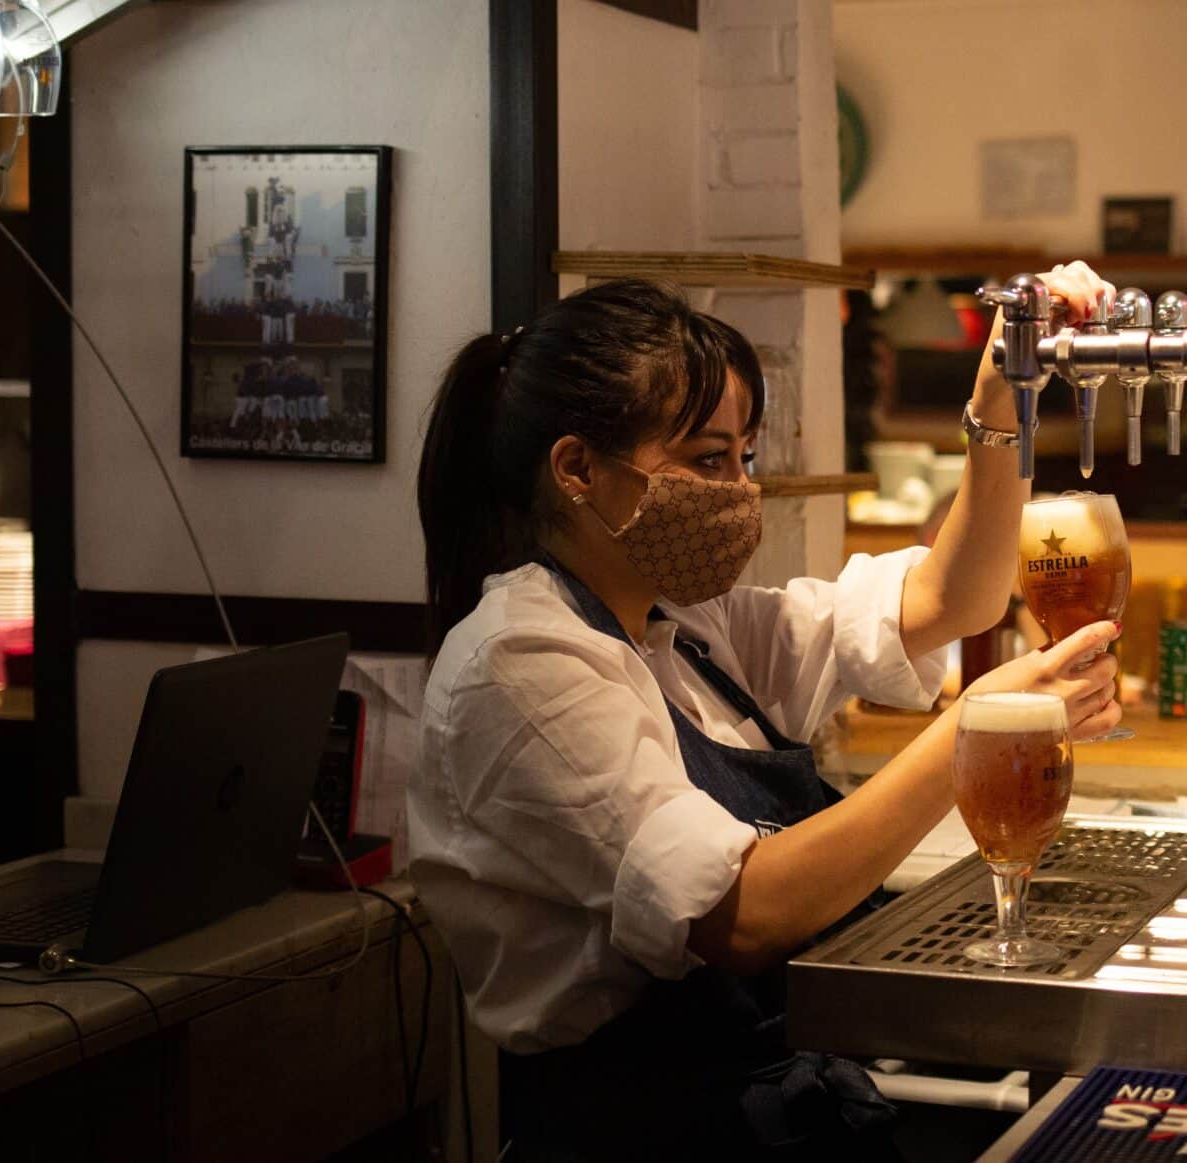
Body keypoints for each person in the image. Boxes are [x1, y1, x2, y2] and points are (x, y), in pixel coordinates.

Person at [410, 269, 1121, 1159]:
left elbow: (957, 594)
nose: (741, 490)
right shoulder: (516, 665)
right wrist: (975, 733)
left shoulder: (692, 627)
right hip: (641, 1133)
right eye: (708, 460)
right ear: (577, 469)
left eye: (745, 456)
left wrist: (999, 400)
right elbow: (741, 914)